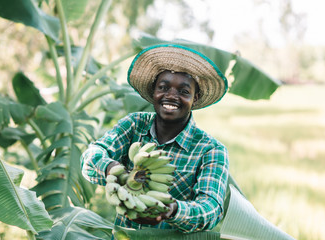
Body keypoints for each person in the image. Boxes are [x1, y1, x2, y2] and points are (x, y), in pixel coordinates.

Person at [81, 44, 229, 233]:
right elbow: (90, 158)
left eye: (183, 91)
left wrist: (172, 210)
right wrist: (114, 170)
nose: (171, 96)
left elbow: (211, 209)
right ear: (153, 92)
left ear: (196, 98)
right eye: (163, 87)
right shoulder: (134, 125)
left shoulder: (211, 150)